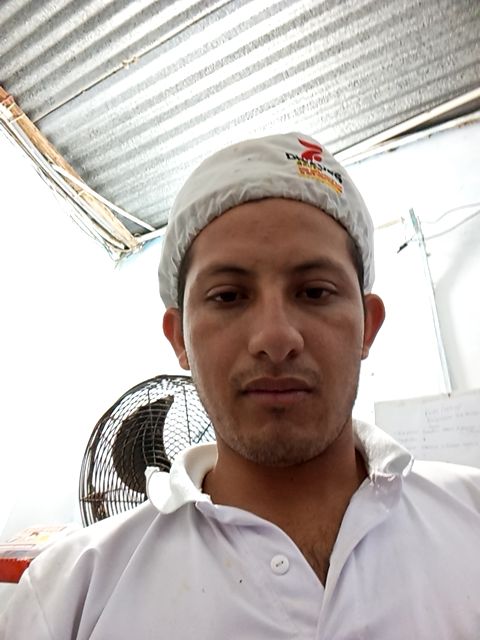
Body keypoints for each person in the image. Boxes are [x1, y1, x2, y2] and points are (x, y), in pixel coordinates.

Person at [1, 133, 480, 639]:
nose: (275, 338)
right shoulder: (66, 599)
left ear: (368, 326)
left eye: (315, 291)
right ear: (179, 339)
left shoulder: (471, 516)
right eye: (228, 296)